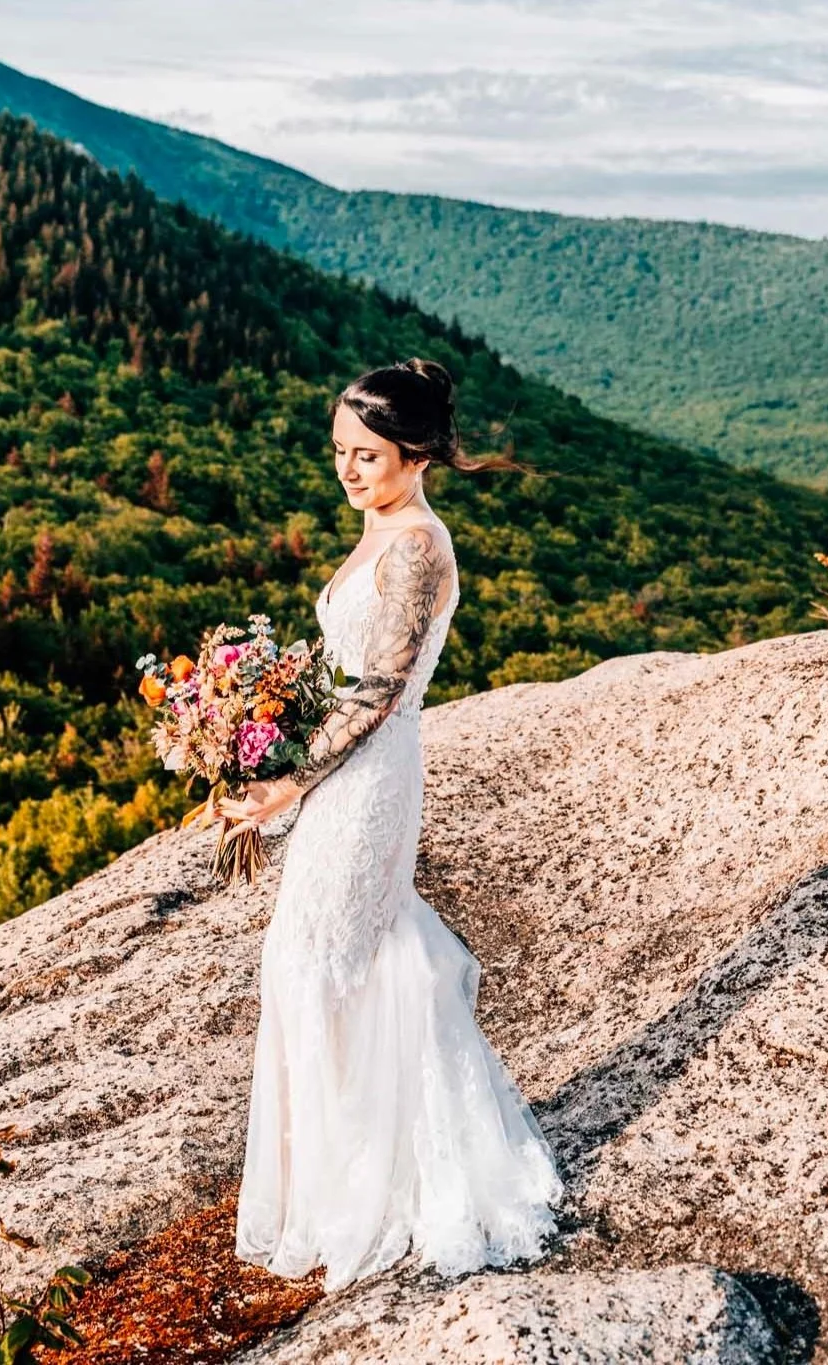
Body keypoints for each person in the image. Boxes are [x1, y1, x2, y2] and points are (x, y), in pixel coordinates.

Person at [218, 357, 564, 1293]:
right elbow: (339, 672)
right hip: (341, 771)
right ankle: (345, 1170)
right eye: (338, 451)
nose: (347, 469)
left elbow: (377, 691)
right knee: (322, 962)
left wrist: (284, 784)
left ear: (415, 454)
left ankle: (376, 1181)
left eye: (365, 454)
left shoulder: (416, 545)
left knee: (325, 962)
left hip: (368, 778)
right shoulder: (381, 527)